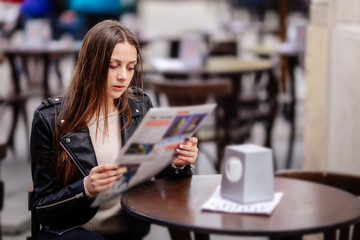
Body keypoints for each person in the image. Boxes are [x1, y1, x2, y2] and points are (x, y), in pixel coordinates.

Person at [30, 19, 199, 240]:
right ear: (91, 63)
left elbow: (158, 173)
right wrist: (86, 188)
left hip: (128, 229)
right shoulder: (49, 119)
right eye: (113, 66)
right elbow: (42, 209)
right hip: (70, 232)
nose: (123, 76)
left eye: (130, 67)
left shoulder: (139, 106)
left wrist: (178, 162)